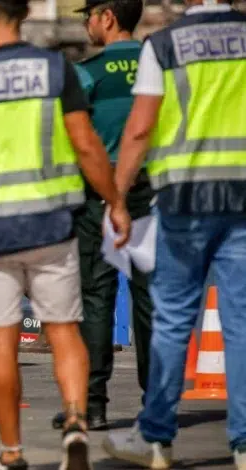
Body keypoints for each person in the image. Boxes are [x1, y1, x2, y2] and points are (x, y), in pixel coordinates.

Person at [0, 0, 131, 468]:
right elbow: (87, 144)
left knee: (4, 342)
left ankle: (12, 451)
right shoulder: (55, 69)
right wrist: (114, 202)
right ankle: (76, 421)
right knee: (64, 331)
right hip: (52, 225)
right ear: (27, 12)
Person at [103, 1, 246, 468]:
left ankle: (157, 438)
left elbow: (141, 128)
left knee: (172, 320)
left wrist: (118, 197)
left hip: (185, 201)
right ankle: (244, 443)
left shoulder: (163, 45)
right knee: (241, 324)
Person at [50, 0, 152, 432]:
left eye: (88, 16)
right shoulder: (158, 65)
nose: (86, 24)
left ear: (107, 17)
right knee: (151, 301)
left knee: (96, 297)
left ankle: (92, 405)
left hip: (98, 196)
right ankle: (156, 403)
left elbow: (71, 140)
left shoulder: (86, 72)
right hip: (150, 192)